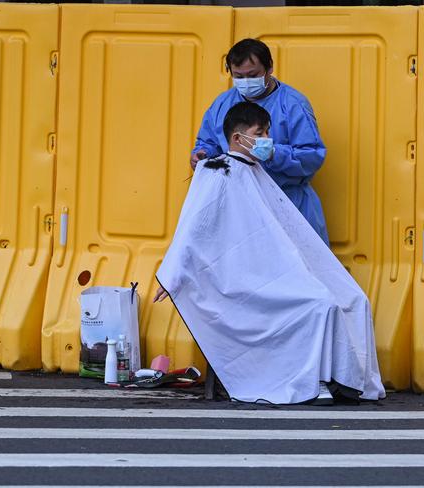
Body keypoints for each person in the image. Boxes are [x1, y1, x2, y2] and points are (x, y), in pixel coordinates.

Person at [155, 102, 385, 405]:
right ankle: (313, 381)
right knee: (319, 304)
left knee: (354, 298)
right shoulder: (216, 171)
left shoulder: (255, 171)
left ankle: (348, 378)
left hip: (269, 271)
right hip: (239, 280)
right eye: (259, 133)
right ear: (238, 138)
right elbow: (193, 228)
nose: (266, 139)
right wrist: (170, 274)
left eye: (267, 132)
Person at [190, 38, 329, 246]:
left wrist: (274, 153)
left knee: (299, 272)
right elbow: (208, 142)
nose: (246, 82)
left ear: (269, 67)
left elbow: (312, 156)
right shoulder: (222, 104)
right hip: (240, 209)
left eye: (253, 75)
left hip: (288, 206)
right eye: (239, 77)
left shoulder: (293, 104)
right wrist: (201, 154)